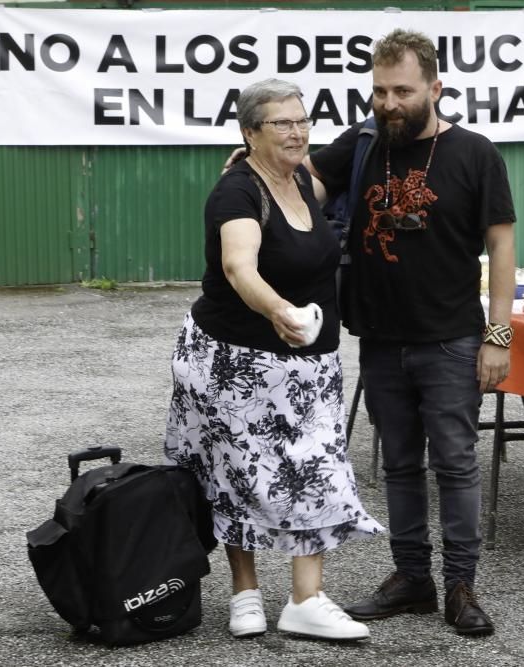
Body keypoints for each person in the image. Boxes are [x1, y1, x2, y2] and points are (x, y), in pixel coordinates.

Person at [305, 29, 516, 637]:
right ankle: (412, 579)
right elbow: (309, 187)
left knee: (454, 465)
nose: (389, 103)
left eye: (402, 90)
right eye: (379, 91)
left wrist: (498, 337)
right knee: (397, 465)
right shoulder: (366, 143)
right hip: (379, 338)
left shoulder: (476, 154)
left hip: (452, 339)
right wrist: (266, 167)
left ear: (434, 88)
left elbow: (501, 246)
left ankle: (460, 585)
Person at [164, 78, 383, 642]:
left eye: (302, 120)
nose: (297, 131)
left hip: (310, 368)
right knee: (237, 474)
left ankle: (305, 600)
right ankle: (245, 594)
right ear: (249, 133)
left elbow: (368, 138)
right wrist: (279, 310)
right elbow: (239, 267)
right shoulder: (236, 192)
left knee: (318, 472)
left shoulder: (304, 180)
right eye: (281, 123)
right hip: (234, 363)